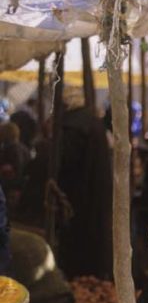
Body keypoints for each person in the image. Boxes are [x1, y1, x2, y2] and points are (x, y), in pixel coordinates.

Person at [56, 86, 114, 279]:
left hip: (79, 198)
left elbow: (66, 167)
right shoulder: (93, 123)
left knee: (79, 247)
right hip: (96, 195)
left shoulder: (72, 127)